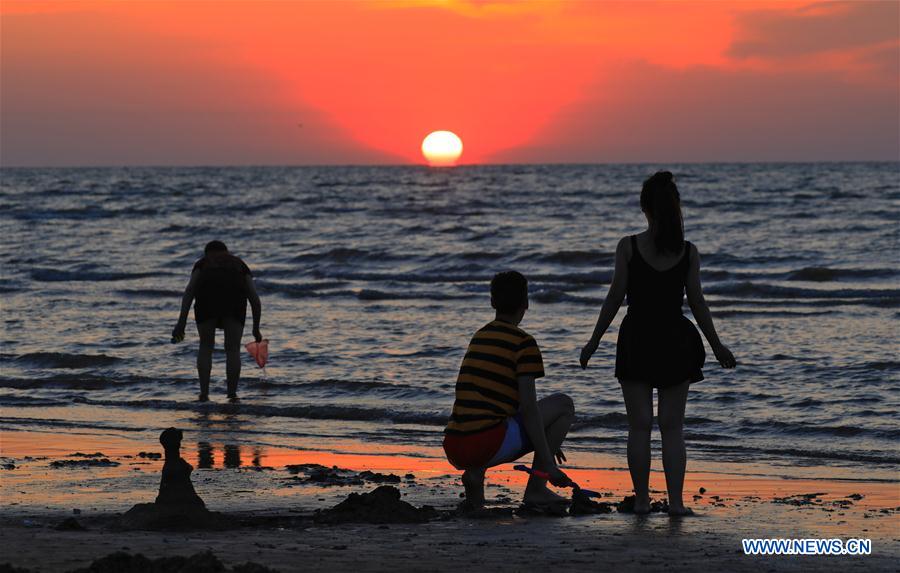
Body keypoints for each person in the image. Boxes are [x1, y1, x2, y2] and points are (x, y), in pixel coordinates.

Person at [579, 171, 736, 516]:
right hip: (675, 340)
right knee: (672, 427)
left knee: (639, 426)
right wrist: (717, 346)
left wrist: (593, 341)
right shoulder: (688, 252)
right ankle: (677, 504)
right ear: (675, 207)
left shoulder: (629, 246)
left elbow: (613, 298)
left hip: (636, 338)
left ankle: (642, 501)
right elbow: (698, 303)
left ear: (644, 208)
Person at [443, 271, 574, 512]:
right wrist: (547, 458)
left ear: (492, 302)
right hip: (485, 444)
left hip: (455, 443)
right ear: (526, 303)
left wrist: (543, 439)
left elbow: (494, 398)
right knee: (564, 404)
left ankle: (475, 474)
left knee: (488, 416)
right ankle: (536, 488)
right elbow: (529, 408)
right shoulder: (524, 343)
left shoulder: (480, 336)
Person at [172, 241, 262, 401]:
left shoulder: (202, 264)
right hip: (234, 305)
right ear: (227, 252)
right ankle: (232, 394)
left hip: (207, 304)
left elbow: (190, 290)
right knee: (233, 349)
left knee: (206, 347)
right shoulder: (239, 264)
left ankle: (204, 394)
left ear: (207, 252)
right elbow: (254, 299)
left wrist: (181, 323)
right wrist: (256, 328)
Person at [156, 427, 205, 507]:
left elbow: (163, 485)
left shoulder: (171, 464)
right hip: (182, 499)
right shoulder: (178, 464)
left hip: (172, 498)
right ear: (178, 444)